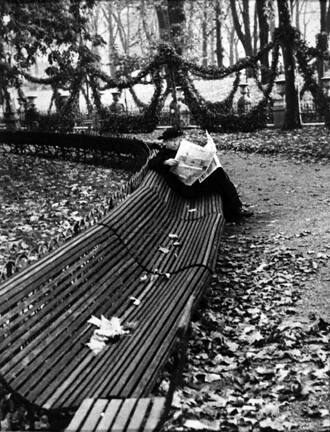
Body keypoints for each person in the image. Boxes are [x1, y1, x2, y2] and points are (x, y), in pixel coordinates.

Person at [149, 131, 252, 222]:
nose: (175, 143)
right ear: (165, 142)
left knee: (219, 174)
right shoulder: (163, 154)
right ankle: (234, 212)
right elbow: (152, 163)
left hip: (194, 182)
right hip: (186, 188)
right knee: (219, 181)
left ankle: (233, 211)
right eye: (171, 141)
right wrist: (165, 162)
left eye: (177, 140)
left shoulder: (184, 149)